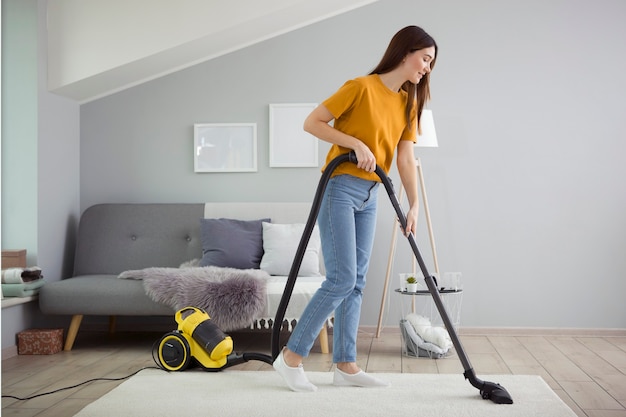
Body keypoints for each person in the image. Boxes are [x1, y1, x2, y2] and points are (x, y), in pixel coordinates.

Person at [273, 25, 438, 392]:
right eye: (424, 58)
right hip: (340, 188)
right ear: (405, 52)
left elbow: (406, 158)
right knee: (341, 279)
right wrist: (355, 144)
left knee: (357, 282)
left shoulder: (407, 103)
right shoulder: (361, 87)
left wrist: (413, 206)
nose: (427, 67)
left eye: (431, 63)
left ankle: (345, 365)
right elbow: (312, 121)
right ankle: (290, 358)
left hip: (373, 193)